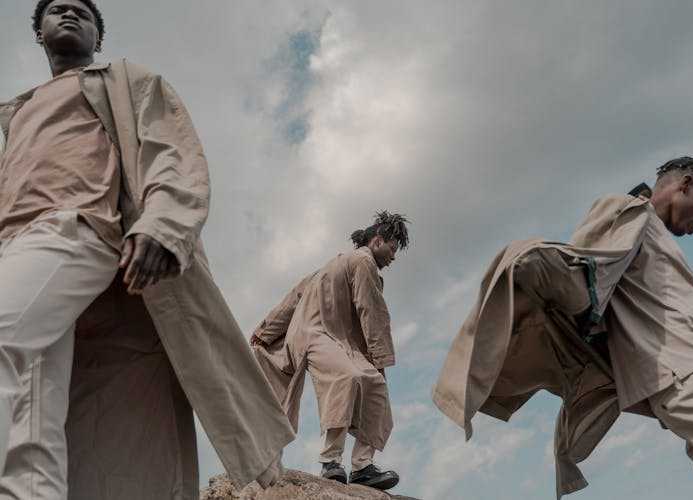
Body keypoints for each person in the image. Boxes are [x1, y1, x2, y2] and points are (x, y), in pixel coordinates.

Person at [0, 1, 295, 498]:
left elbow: (171, 149)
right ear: (38, 34)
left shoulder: (123, 79)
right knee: (31, 418)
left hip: (77, 227)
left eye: (82, 12)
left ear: (98, 36)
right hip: (16, 250)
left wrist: (164, 224)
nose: (69, 13)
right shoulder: (18, 112)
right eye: (56, 9)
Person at [432, 157, 693, 499]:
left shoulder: (649, 231)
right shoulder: (629, 210)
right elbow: (582, 269)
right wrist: (531, 262)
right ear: (685, 184)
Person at [251, 211, 409, 491]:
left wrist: (266, 331)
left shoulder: (332, 265)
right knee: (346, 377)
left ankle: (362, 467)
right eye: (392, 249)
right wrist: (380, 357)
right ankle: (330, 461)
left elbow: (293, 297)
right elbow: (370, 311)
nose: (393, 257)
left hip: (334, 339)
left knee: (374, 385)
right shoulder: (363, 261)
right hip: (316, 333)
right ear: (376, 241)